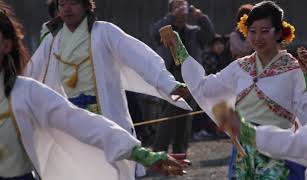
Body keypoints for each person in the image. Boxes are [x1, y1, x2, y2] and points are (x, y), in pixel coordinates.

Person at [0, 3, 187, 180]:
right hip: (70, 128)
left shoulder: (104, 32)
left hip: (99, 121)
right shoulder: (52, 41)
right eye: (62, 4)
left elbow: (140, 58)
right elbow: (31, 71)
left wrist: (169, 84)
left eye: (73, 3)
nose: (66, 9)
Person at [161, 1, 307, 179]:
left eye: (265, 31)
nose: (258, 37)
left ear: (279, 33)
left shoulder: (295, 70)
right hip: (243, 156)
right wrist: (179, 47)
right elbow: (205, 88)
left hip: (279, 155)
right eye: (252, 31)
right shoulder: (240, 67)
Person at [151, 0, 215, 154]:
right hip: (169, 77)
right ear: (171, 11)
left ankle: (180, 153)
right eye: (177, 7)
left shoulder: (194, 31)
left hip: (191, 78)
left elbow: (210, 36)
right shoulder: (165, 30)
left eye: (183, 6)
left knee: (185, 119)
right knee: (168, 115)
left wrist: (201, 17)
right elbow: (153, 33)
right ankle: (159, 152)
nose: (181, 9)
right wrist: (171, 17)